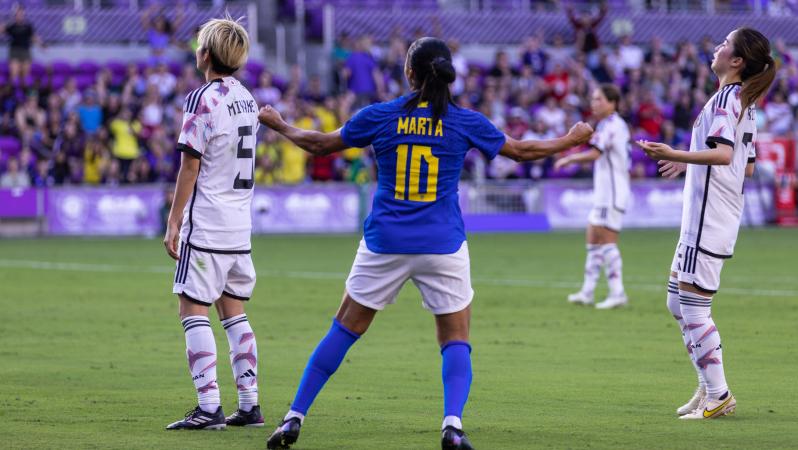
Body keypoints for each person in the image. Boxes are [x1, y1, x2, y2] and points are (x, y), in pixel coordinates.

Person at [258, 37, 593, 450]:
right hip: (442, 244)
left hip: (385, 243)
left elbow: (320, 144)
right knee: (455, 338)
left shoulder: (381, 115)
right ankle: (452, 426)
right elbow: (521, 151)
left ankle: (294, 417)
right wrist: (570, 140)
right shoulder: (464, 120)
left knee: (343, 330)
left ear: (410, 73)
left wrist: (279, 125)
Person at [637, 28, 775, 420]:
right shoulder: (742, 101)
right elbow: (746, 166)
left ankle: (719, 395)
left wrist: (675, 153)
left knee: (695, 308)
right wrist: (690, 162)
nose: (717, 47)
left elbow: (724, 156)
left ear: (737, 61)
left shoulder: (729, 99)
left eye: (726, 44)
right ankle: (706, 384)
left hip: (708, 219)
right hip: (705, 218)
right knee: (676, 302)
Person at [162, 16, 264, 430]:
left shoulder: (202, 98)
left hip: (207, 223)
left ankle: (208, 407)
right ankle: (250, 404)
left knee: (192, 307)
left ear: (205, 55)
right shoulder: (247, 98)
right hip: (239, 225)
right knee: (233, 312)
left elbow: (190, 164)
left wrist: (173, 222)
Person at [555, 84, 631, 309]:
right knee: (593, 239)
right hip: (604, 193)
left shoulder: (613, 124)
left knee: (607, 241)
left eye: (599, 99)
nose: (594, 103)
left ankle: (617, 293)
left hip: (612, 193)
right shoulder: (606, 124)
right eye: (593, 99)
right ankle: (587, 292)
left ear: (612, 103)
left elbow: (596, 153)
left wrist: (569, 158)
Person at [1, 5, 40, 87]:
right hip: (14, 51)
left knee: (25, 75)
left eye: (21, 13)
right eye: (18, 14)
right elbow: (1, 31)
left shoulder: (28, 26)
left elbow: (33, 37)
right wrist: (4, 24)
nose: (19, 15)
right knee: (14, 73)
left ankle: (24, 91)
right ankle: (11, 91)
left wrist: (41, 45)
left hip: (25, 51)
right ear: (15, 15)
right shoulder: (11, 25)